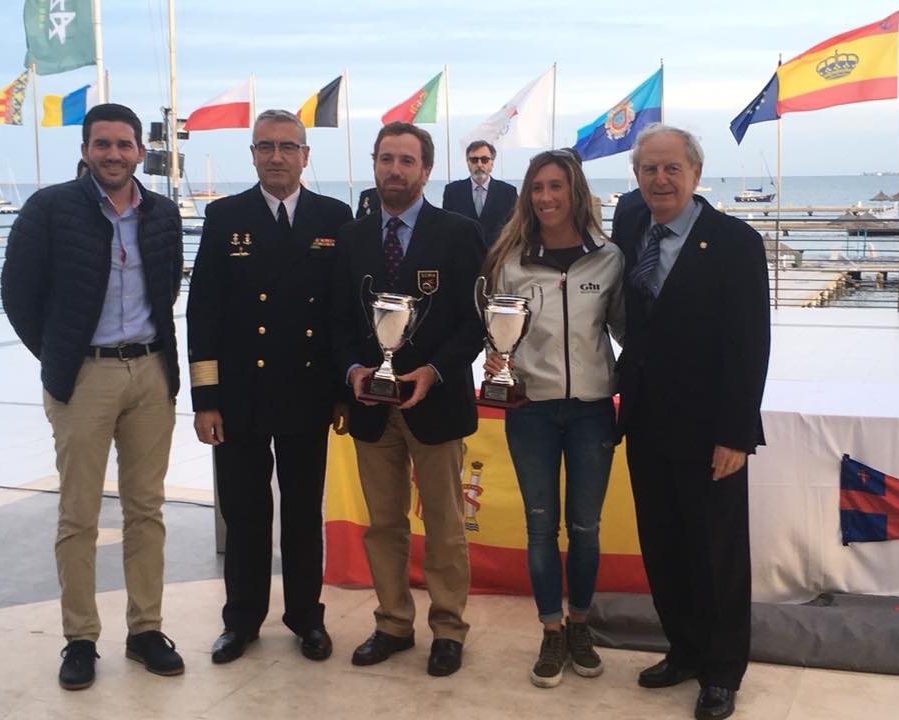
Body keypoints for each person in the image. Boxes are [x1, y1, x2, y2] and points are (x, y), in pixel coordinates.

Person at [1, 103, 185, 690]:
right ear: (84, 151)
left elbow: (167, 287)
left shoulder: (162, 213)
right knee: (78, 513)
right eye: (101, 144)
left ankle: (145, 630)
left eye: (124, 144)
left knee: (146, 509)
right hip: (84, 376)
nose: (113, 154)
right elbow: (17, 294)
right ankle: (80, 638)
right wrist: (60, 355)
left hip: (150, 373)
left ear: (139, 152)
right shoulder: (49, 209)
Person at [611, 124, 770, 720]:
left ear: (696, 174)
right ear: (636, 177)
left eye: (672, 168)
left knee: (716, 554)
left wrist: (736, 434)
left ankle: (722, 671)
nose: (660, 179)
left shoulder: (734, 242)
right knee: (663, 545)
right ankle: (683, 649)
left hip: (710, 431)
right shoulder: (631, 226)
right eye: (649, 169)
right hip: (646, 421)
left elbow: (750, 345)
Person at [186, 109, 353, 665]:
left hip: (308, 392)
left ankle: (307, 617)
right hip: (241, 397)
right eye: (265, 147)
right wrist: (206, 400)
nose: (276, 157)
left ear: (306, 156)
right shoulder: (224, 216)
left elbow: (340, 314)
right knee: (245, 514)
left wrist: (341, 392)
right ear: (253, 155)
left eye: (286, 147)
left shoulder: (334, 216)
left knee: (303, 513)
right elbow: (203, 312)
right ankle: (241, 621)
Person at [331, 121, 484, 677]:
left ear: (426, 169)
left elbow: (476, 321)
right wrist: (353, 370)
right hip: (371, 409)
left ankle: (448, 629)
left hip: (435, 404)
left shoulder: (460, 233)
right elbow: (337, 320)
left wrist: (434, 371)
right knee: (383, 525)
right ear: (374, 164)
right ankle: (393, 623)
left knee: (444, 526)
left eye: (406, 160)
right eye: (386, 159)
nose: (394, 170)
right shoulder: (352, 237)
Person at [480, 149, 624, 688]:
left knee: (585, 527)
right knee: (540, 526)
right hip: (531, 410)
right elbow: (496, 332)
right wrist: (494, 359)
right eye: (537, 188)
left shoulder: (609, 257)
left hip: (591, 410)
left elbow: (629, 331)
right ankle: (550, 630)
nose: (546, 197)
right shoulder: (511, 261)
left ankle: (580, 626)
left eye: (556, 186)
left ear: (575, 192)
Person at [442, 139, 518, 248]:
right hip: (463, 255)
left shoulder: (508, 193)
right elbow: (447, 229)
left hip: (496, 256)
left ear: (492, 163)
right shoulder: (452, 192)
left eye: (484, 160)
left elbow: (515, 229)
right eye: (474, 160)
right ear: (468, 163)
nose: (479, 164)